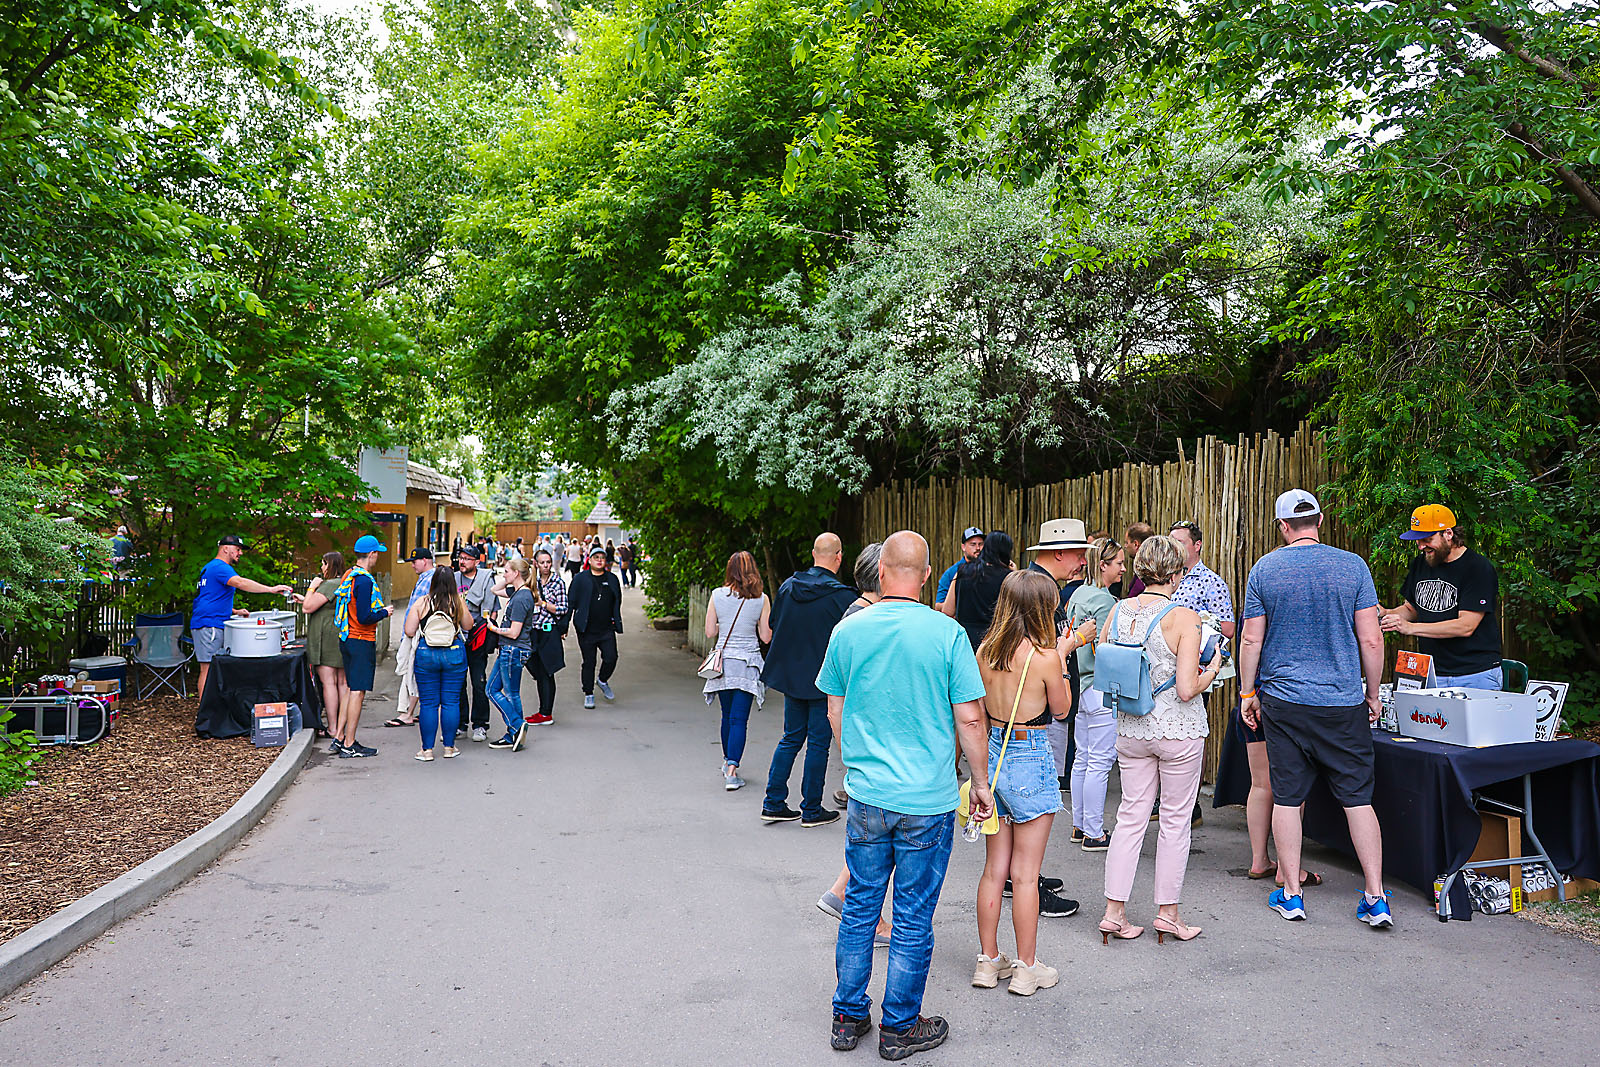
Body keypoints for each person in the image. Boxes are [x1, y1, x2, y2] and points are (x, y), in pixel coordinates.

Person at [819, 531, 991, 1059]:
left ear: (880, 571)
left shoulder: (849, 631)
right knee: (913, 914)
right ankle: (900, 1026)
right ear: (922, 574)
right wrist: (981, 784)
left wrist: (859, 768)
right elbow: (970, 716)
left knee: (862, 905)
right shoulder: (948, 634)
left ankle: (848, 1019)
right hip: (928, 797)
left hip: (869, 794)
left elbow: (834, 711)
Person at [1238, 489, 1392, 927]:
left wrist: (1249, 693)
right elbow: (1372, 638)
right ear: (1319, 521)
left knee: (1287, 796)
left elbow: (1251, 639)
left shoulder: (1265, 569)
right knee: (1358, 799)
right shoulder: (1353, 566)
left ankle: (1290, 893)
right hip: (1343, 701)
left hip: (1284, 701)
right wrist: (1373, 693)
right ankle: (1376, 897)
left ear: (1283, 526)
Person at [1099, 535, 1222, 945]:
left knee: (1130, 817)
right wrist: (1215, 666)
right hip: (1177, 729)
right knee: (1174, 820)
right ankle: (1168, 913)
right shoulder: (1184, 617)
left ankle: (1114, 912)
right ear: (1177, 573)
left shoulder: (1117, 612)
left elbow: (1106, 660)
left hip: (1131, 728)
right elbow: (1187, 690)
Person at [972, 570, 1074, 996]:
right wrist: (1064, 655)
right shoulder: (1045, 657)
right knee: (1026, 874)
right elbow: (1062, 709)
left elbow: (974, 709)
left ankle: (988, 960)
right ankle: (1027, 968)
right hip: (1030, 754)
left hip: (993, 756)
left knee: (995, 869)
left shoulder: (985, 652)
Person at [1020, 518, 1097, 915]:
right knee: (1035, 805)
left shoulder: (1041, 584)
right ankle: (1027, 882)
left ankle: (1026, 877)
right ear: (1061, 553)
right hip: (1036, 713)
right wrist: (1075, 642)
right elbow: (1043, 651)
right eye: (1080, 552)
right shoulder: (1041, 589)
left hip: (1033, 709)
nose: (1084, 560)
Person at [760, 532, 857, 827]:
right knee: (818, 744)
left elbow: (774, 625)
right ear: (838, 557)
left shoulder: (789, 587)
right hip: (824, 679)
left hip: (793, 675)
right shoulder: (842, 597)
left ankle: (773, 802)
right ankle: (811, 809)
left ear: (813, 553)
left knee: (790, 738)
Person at [1379, 503, 1502, 689]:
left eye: (1427, 539)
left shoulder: (1477, 568)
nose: (1421, 546)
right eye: (1417, 541)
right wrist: (1386, 612)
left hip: (1474, 675)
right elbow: (1411, 608)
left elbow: (1466, 626)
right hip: (1431, 673)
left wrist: (1411, 628)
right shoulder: (1422, 563)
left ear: (1449, 534)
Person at [1167, 518, 1234, 827]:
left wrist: (1201, 623)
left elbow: (1230, 628)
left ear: (1197, 546)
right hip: (1160, 668)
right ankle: (1166, 796)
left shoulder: (1211, 582)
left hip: (1193, 670)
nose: (1174, 547)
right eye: (1170, 541)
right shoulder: (1164, 577)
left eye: (1180, 541)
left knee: (1191, 732)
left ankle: (1189, 803)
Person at [1065, 536, 1124, 850]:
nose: (1123, 569)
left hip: (1079, 684)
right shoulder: (1106, 602)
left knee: (1083, 759)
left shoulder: (1079, 594)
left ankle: (1079, 825)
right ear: (1103, 565)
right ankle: (1094, 831)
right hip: (1101, 687)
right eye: (1118, 564)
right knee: (1100, 762)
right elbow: (1106, 648)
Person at [190, 534, 293, 699]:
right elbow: (241, 583)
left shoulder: (209, 568)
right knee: (208, 669)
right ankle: (205, 716)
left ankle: (212, 712)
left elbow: (210, 598)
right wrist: (271, 589)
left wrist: (235, 611)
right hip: (210, 625)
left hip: (211, 622)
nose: (240, 553)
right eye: (237, 549)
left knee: (213, 668)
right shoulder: (220, 567)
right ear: (225, 548)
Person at [703, 551, 773, 790]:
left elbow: (710, 632)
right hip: (747, 664)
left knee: (727, 716)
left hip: (723, 664)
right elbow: (765, 637)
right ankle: (732, 770)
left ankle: (727, 763)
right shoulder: (762, 599)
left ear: (729, 570)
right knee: (739, 720)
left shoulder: (716, 595)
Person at [332, 535, 394, 759]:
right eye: (377, 553)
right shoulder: (365, 580)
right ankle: (349, 743)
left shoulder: (349, 574)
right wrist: (384, 612)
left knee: (350, 688)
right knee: (357, 692)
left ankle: (339, 737)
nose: (377, 556)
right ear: (371, 555)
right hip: (361, 639)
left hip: (347, 637)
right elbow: (366, 616)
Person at [403, 566, 472, 761]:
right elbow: (468, 626)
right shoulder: (457, 602)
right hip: (453, 654)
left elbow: (409, 630)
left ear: (433, 582)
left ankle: (427, 751)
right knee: (451, 702)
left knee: (429, 704)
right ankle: (449, 748)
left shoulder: (422, 602)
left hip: (427, 655)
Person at [484, 558, 533, 752]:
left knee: (509, 693)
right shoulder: (519, 592)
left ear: (516, 573)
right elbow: (494, 590)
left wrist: (494, 629)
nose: (503, 574)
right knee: (493, 689)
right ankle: (514, 730)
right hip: (509, 650)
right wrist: (508, 578)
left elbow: (514, 632)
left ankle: (515, 726)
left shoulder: (521, 598)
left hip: (513, 649)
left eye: (506, 571)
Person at [385, 548, 437, 729]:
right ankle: (409, 711)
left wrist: (411, 631)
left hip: (417, 634)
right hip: (415, 632)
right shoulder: (426, 578)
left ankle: (407, 713)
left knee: (412, 673)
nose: (412, 565)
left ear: (425, 560)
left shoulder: (430, 579)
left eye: (415, 561)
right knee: (412, 673)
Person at [300, 551, 348, 740]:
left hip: (325, 638)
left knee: (329, 683)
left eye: (323, 563)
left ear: (330, 565)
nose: (321, 567)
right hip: (340, 636)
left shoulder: (329, 584)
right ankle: (344, 726)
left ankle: (334, 727)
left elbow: (307, 607)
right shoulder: (345, 582)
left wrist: (311, 588)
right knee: (342, 683)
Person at [570, 545, 624, 708]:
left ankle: (602, 680)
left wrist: (616, 620)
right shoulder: (580, 578)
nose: (599, 561)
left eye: (602, 558)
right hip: (586, 628)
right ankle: (589, 693)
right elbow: (571, 602)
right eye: (596, 558)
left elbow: (617, 601)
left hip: (606, 628)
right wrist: (562, 626)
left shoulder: (612, 579)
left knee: (611, 657)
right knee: (589, 661)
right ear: (589, 560)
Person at [940, 531, 1014, 650]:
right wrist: (1014, 573)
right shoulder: (1008, 577)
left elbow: (947, 610)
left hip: (964, 641)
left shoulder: (962, 571)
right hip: (994, 643)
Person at [522, 547, 570, 726]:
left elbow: (563, 608)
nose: (546, 565)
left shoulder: (557, 582)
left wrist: (543, 604)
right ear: (535, 563)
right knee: (535, 669)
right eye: (542, 562)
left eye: (548, 562)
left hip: (548, 631)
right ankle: (543, 712)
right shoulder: (530, 581)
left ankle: (545, 713)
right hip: (531, 631)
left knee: (547, 672)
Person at [456, 545, 497, 742]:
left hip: (477, 638)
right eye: (460, 558)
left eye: (467, 558)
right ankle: (460, 724)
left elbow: (492, 611)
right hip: (455, 638)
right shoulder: (453, 578)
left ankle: (480, 725)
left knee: (479, 682)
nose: (462, 561)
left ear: (476, 561)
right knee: (457, 682)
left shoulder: (486, 580)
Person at [935, 527, 985, 611]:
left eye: (980, 544)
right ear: (963, 547)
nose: (977, 548)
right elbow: (938, 606)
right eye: (973, 544)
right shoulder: (952, 573)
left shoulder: (989, 569)